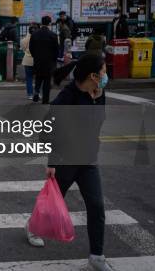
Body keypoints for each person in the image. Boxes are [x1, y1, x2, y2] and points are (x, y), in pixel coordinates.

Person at [26, 54, 111, 271]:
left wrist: (97, 97)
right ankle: (32, 227)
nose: (105, 75)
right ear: (93, 75)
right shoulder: (67, 98)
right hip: (66, 161)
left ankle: (97, 256)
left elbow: (96, 123)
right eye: (102, 71)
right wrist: (52, 161)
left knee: (97, 206)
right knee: (53, 204)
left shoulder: (99, 93)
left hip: (89, 160)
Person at [29, 16, 59, 104]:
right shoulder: (53, 35)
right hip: (49, 63)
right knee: (47, 81)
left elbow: (31, 48)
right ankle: (45, 100)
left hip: (38, 61)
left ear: (41, 23)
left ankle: (36, 93)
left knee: (38, 78)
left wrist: (36, 56)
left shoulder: (34, 34)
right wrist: (53, 59)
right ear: (49, 23)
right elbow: (56, 50)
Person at [20, 24, 38, 100]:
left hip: (27, 60)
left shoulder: (24, 39)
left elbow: (23, 49)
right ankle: (38, 93)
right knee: (38, 78)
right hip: (37, 60)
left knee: (29, 78)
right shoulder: (39, 39)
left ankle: (30, 94)